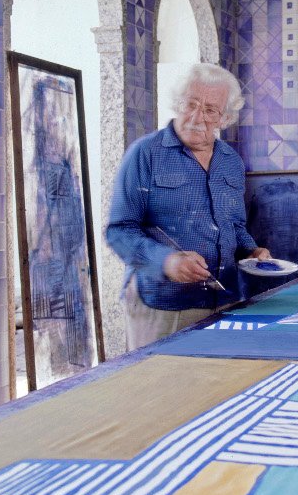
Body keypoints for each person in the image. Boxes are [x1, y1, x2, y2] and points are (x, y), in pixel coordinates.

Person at [106, 62, 270, 349]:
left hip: (224, 300)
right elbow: (120, 231)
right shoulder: (145, 154)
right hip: (162, 304)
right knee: (161, 389)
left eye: (210, 110)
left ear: (225, 118)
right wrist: (167, 262)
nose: (197, 117)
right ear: (177, 104)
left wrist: (252, 250)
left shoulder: (231, 162)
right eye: (190, 104)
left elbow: (234, 226)